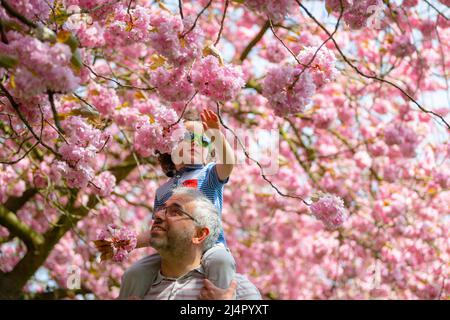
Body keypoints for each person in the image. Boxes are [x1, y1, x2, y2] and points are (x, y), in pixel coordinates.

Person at [97, 109, 238, 299]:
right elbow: (159, 229)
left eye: (205, 140)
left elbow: (228, 162)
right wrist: (125, 242)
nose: (196, 142)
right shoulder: (163, 191)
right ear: (167, 146)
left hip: (209, 246)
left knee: (222, 261)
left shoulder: (210, 174)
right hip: (174, 250)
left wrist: (216, 135)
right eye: (187, 137)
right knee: (133, 274)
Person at [135, 187, 261, 300]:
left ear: (199, 235)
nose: (158, 215)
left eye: (175, 212)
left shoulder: (237, 291)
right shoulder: (138, 289)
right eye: (161, 209)